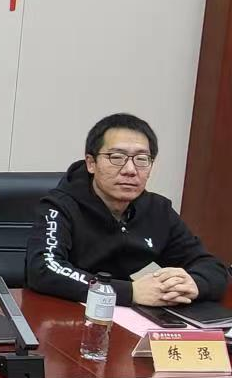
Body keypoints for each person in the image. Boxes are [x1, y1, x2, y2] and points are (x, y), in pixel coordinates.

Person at [25, 112, 228, 305]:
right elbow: (44, 269)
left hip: (128, 316)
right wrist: (129, 292)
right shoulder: (60, 206)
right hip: (66, 312)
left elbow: (213, 267)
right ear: (91, 163)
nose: (130, 170)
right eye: (116, 157)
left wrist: (194, 283)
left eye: (141, 159)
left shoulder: (158, 210)